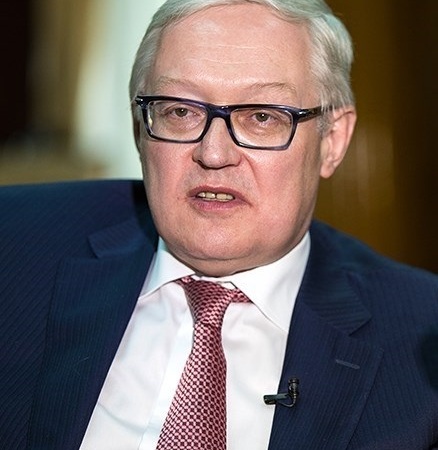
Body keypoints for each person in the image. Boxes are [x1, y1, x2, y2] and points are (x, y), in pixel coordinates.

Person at [1, 0, 438, 449]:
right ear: (139, 128)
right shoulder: (13, 248)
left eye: (262, 117)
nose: (213, 154)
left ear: (333, 141)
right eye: (180, 112)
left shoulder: (423, 339)